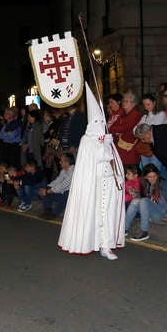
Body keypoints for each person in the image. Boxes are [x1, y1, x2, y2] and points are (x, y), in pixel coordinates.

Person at [58, 87, 125, 260]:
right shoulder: (86, 140)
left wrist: (108, 145)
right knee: (94, 214)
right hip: (93, 184)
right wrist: (103, 147)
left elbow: (114, 161)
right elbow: (95, 160)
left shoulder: (106, 138)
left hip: (107, 181)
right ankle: (91, 242)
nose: (100, 126)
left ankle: (106, 246)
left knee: (107, 214)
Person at [124, 164, 167, 242]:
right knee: (135, 201)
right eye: (149, 177)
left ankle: (144, 232)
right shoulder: (145, 184)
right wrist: (134, 194)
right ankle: (124, 229)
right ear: (145, 177)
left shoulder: (163, 184)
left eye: (154, 176)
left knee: (144, 200)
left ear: (158, 175)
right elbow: (139, 199)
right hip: (148, 212)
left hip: (160, 213)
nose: (153, 179)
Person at [108, 91, 142, 166]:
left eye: (126, 101)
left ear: (133, 103)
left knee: (129, 172)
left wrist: (111, 129)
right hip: (121, 148)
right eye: (123, 101)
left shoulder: (135, 114)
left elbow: (124, 127)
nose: (123, 103)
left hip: (129, 149)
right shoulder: (124, 114)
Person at [39, 152, 74, 220]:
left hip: (70, 194)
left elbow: (63, 185)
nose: (59, 162)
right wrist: (47, 188)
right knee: (46, 188)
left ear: (67, 162)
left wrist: (47, 191)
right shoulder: (63, 170)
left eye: (61, 161)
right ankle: (47, 211)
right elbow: (57, 181)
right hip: (62, 191)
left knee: (67, 195)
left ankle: (54, 214)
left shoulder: (73, 172)